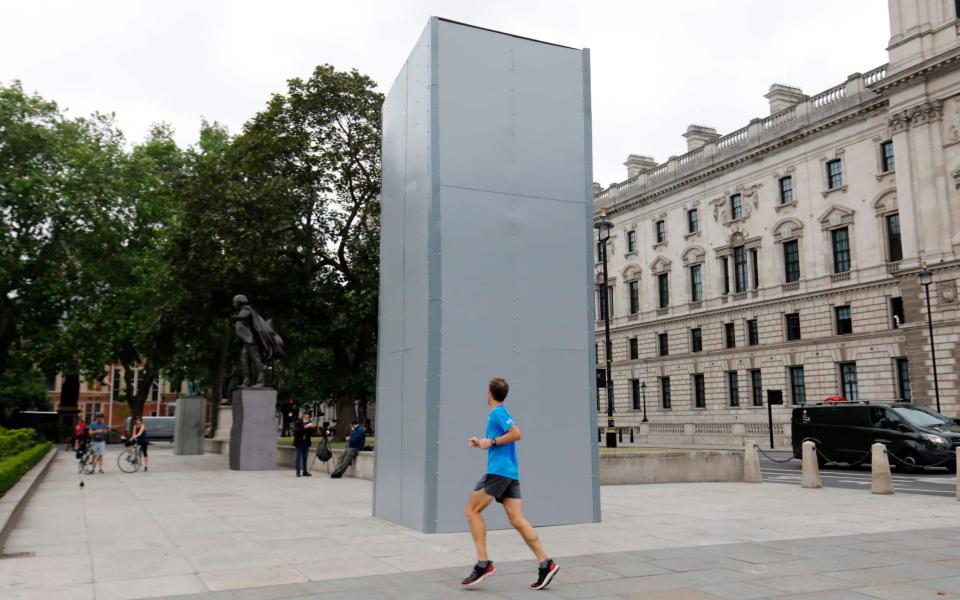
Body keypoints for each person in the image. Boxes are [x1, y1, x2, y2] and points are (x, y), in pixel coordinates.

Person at [461, 378, 559, 591]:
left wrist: (492, 442)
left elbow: (516, 433)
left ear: (489, 394)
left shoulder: (498, 412)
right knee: (517, 519)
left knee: (472, 511)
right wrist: (482, 442)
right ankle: (546, 563)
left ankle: (483, 564)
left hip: (499, 472)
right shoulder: (498, 414)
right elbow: (500, 439)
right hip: (509, 472)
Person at [292, 411, 317, 477]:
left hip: (306, 442)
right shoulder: (298, 422)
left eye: (308, 417)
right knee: (298, 458)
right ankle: (298, 472)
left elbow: (311, 434)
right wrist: (304, 427)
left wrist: (313, 428)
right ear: (303, 417)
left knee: (305, 458)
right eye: (306, 417)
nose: (307, 418)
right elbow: (296, 430)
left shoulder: (309, 423)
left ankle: (305, 471)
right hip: (299, 442)